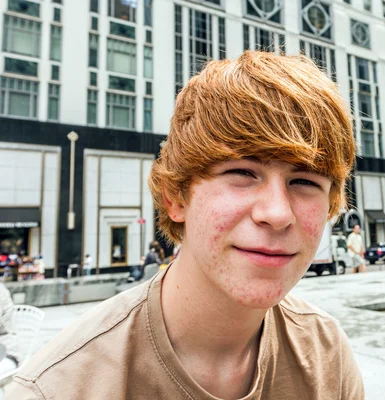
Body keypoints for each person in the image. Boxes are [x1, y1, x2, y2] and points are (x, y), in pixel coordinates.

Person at [7, 51, 364, 399]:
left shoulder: (327, 354)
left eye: (304, 182)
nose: (277, 213)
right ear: (175, 197)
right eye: (242, 172)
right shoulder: (58, 387)